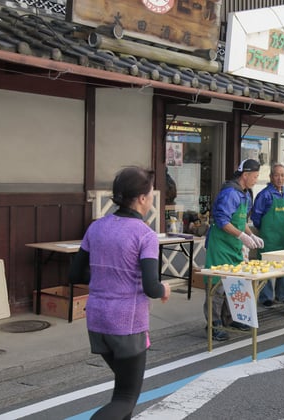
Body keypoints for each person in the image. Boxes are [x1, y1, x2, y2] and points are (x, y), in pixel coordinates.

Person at [68, 167, 171, 419]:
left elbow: (74, 275)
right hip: (127, 324)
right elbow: (151, 286)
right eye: (150, 195)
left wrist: (108, 278)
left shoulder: (96, 228)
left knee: (121, 390)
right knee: (125, 398)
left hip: (97, 321)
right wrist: (165, 288)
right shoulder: (145, 235)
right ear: (142, 198)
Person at [204, 159, 264, 340]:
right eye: (254, 176)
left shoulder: (245, 193)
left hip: (233, 245)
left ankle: (230, 318)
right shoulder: (230, 193)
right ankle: (213, 324)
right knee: (217, 285)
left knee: (234, 282)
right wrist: (241, 236)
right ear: (245, 175)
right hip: (221, 245)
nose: (256, 180)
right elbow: (222, 220)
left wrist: (250, 234)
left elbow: (241, 220)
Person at [251, 163, 284, 317]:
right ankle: (266, 297)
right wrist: (264, 230)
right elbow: (256, 216)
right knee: (266, 268)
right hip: (268, 238)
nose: (280, 178)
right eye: (277, 175)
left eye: (283, 175)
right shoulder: (264, 194)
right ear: (271, 177)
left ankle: (282, 295)